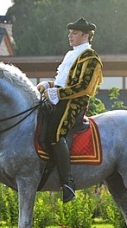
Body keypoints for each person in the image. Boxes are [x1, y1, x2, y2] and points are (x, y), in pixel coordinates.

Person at [37, 17, 103, 203]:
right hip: (60, 100)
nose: (70, 36)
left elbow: (84, 87)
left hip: (75, 104)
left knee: (55, 134)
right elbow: (61, 82)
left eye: (74, 33)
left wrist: (58, 94)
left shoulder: (91, 59)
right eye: (70, 32)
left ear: (85, 35)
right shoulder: (70, 55)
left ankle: (68, 183)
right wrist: (49, 84)